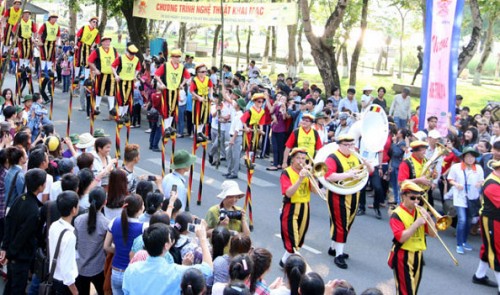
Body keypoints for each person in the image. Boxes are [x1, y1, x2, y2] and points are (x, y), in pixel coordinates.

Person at [323, 135, 374, 269]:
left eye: (352, 144)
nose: (351, 148)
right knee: (341, 223)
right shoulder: (332, 158)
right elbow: (328, 176)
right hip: (337, 194)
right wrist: (348, 175)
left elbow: (370, 171)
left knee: (348, 222)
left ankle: (333, 248)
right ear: (340, 145)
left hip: (353, 193)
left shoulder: (356, 157)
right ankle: (338, 255)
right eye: (347, 145)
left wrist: (367, 164)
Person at [122, 223, 213, 295]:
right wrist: (203, 239)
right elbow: (208, 269)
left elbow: (126, 292)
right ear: (166, 245)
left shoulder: (131, 269)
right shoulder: (176, 272)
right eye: (170, 237)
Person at [0, 168, 46, 294]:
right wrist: (9, 254)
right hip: (20, 258)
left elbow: (8, 222)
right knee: (17, 289)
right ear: (41, 186)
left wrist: (5, 247)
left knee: (10, 286)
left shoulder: (21, 198)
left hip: (12, 256)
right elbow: (23, 235)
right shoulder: (34, 210)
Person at [388, 180, 437, 295]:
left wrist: (429, 218)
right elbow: (400, 238)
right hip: (403, 255)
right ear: (404, 196)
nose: (416, 201)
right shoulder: (396, 214)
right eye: (412, 198)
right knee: (406, 292)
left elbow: (433, 234)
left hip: (418, 254)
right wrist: (416, 224)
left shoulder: (420, 211)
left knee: (413, 290)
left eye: (418, 198)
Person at [279, 148, 316, 267]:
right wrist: (300, 179)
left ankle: (284, 260)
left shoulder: (306, 172)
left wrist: (313, 176)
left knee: (299, 238)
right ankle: (296, 266)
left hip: (305, 206)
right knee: (293, 238)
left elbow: (315, 190)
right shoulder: (286, 172)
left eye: (303, 159)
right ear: (292, 159)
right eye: (298, 158)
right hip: (291, 207)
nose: (301, 161)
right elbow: (288, 193)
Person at [104, 194, 144, 295]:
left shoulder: (114, 222)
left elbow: (106, 246)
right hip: (132, 273)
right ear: (139, 209)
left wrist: (119, 250)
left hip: (116, 272)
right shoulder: (143, 228)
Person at [447, 147, 484, 254]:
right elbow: (450, 179)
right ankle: (459, 244)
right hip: (460, 197)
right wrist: (456, 184)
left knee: (469, 220)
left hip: (472, 198)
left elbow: (482, 180)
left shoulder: (478, 168)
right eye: (468, 156)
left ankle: (464, 241)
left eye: (472, 156)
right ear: (463, 157)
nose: (470, 159)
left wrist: (479, 184)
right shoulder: (456, 167)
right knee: (462, 220)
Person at [74, 187, 109, 295]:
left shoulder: (78, 220)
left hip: (80, 267)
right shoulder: (106, 224)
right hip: (98, 267)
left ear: (89, 200)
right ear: (105, 202)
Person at [472, 159, 500, 291]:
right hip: (492, 221)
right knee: (496, 251)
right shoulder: (491, 184)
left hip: (496, 220)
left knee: (488, 247)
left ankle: (479, 275)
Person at [49, 191, 80, 294]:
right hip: (64, 284)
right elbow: (67, 269)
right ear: (74, 210)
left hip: (53, 277)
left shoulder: (54, 225)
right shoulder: (70, 236)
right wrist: (75, 291)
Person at [154, 49, 190, 137]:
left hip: (175, 90)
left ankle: (169, 126)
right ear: (172, 57)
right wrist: (162, 84)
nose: (178, 59)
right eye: (176, 57)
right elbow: (156, 75)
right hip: (167, 89)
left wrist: (182, 84)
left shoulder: (182, 67)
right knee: (167, 108)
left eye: (179, 57)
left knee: (173, 109)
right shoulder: (166, 65)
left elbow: (187, 76)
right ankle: (166, 127)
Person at [88, 35, 118, 116]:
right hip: (101, 74)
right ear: (102, 42)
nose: (108, 43)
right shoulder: (97, 51)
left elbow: (118, 61)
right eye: (106, 41)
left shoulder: (114, 50)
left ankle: (111, 108)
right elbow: (90, 61)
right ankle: (97, 106)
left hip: (111, 74)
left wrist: (117, 73)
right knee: (99, 91)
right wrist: (95, 69)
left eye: (109, 41)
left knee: (111, 91)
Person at [111, 43, 141, 122]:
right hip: (121, 80)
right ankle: (119, 115)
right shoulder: (121, 58)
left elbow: (138, 68)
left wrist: (135, 75)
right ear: (127, 51)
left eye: (133, 54)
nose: (132, 55)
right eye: (131, 53)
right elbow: (113, 66)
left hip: (130, 81)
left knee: (128, 98)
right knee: (121, 98)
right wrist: (116, 75)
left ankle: (124, 114)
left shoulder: (136, 59)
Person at [190, 64, 214, 142]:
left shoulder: (207, 79)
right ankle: (196, 133)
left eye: (205, 71)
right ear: (198, 72)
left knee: (204, 116)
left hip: (205, 98)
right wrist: (198, 97)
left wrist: (211, 95)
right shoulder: (195, 80)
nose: (205, 73)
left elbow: (211, 87)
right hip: (198, 99)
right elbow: (191, 91)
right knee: (197, 117)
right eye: (203, 71)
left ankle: (200, 132)